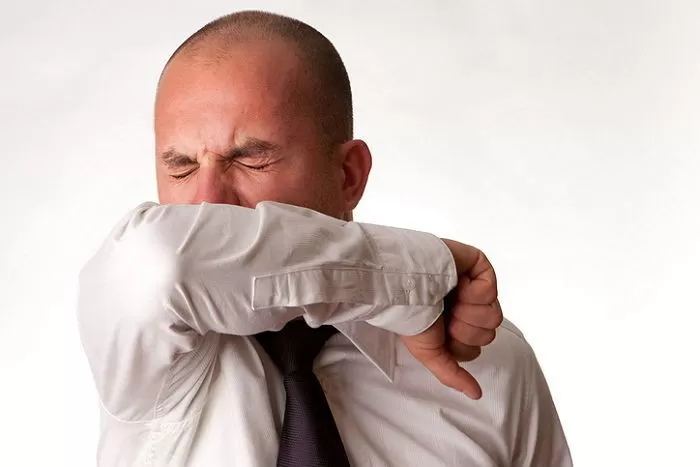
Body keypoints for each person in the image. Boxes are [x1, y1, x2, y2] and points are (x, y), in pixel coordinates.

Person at [77, 10, 571, 467]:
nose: (207, 206)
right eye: (182, 168)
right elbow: (160, 263)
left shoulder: (493, 364)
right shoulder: (153, 353)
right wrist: (411, 277)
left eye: (251, 159)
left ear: (348, 175)